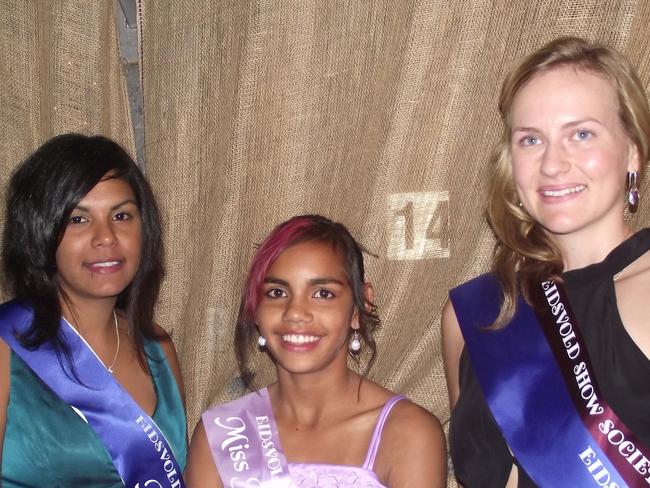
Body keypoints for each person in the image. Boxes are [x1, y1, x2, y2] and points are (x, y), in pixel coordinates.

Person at [442, 36, 650, 487]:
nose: (553, 164)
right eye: (531, 139)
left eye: (581, 133)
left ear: (633, 149)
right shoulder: (476, 315)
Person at [185, 214, 446, 487]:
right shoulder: (223, 434)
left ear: (360, 307)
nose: (295, 313)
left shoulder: (407, 433)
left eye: (323, 294)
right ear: (256, 310)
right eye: (276, 292)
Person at [0, 134, 187, 486]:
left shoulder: (156, 347)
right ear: (40, 230)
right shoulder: (6, 345)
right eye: (78, 219)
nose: (106, 237)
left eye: (121, 215)